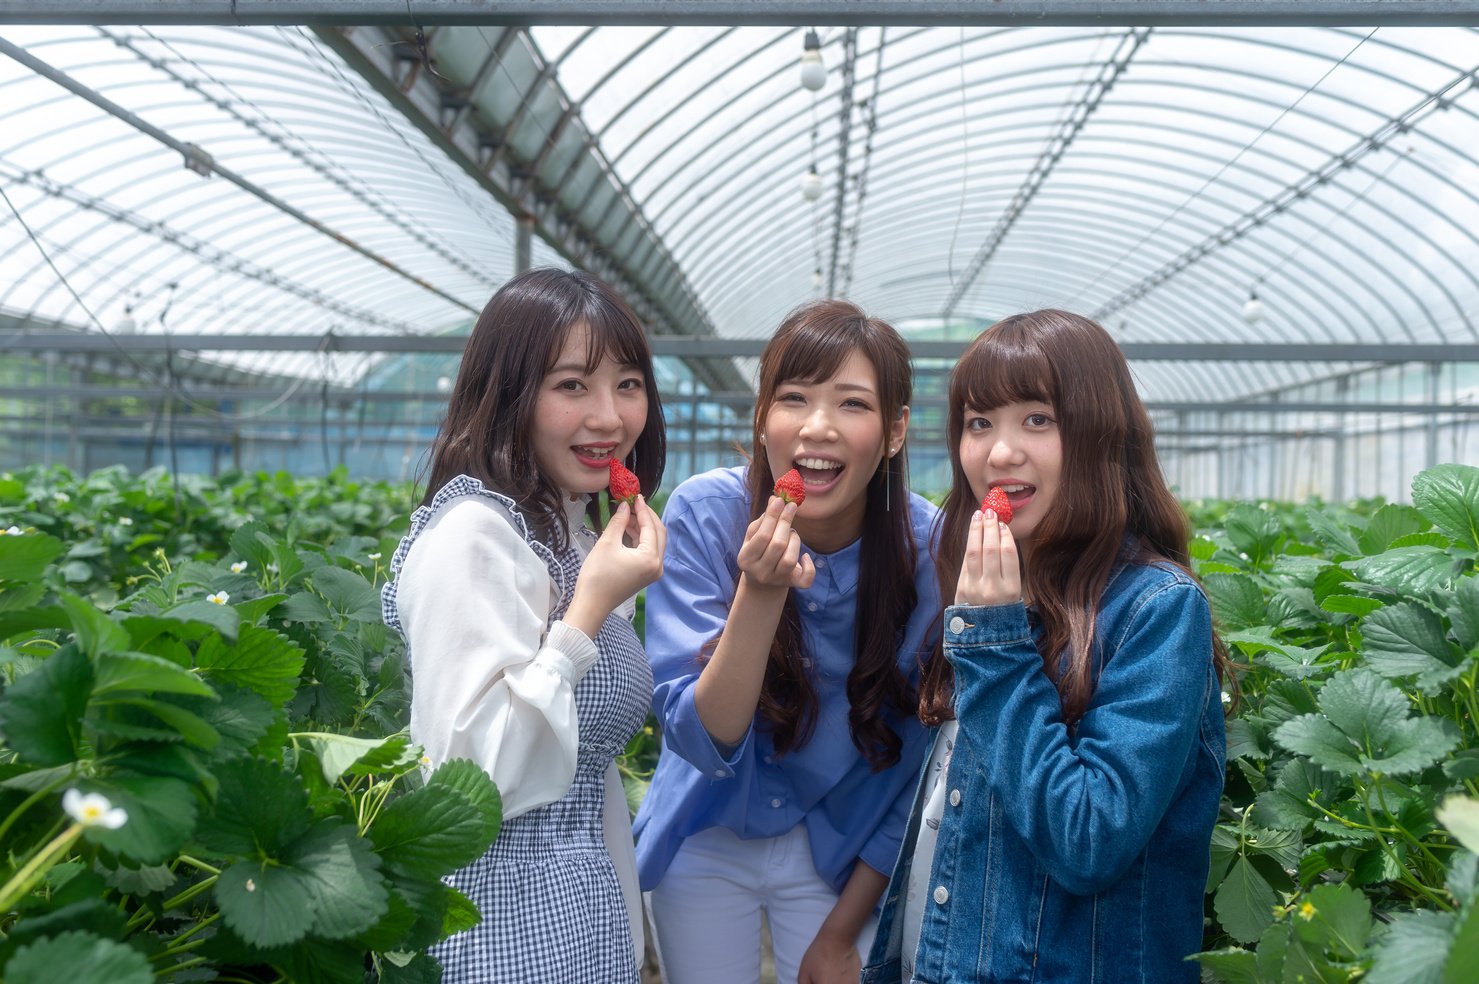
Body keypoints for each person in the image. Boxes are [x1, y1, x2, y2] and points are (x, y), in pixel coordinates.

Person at [862, 309, 1229, 983]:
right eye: (979, 423)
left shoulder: (1155, 610)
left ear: (1100, 436)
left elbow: (1087, 838)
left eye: (1037, 419)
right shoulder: (989, 592)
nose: (999, 452)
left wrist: (996, 645)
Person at [634, 300, 941, 984]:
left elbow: (920, 764)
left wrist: (839, 935)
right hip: (704, 831)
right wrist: (761, 593)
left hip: (847, 847)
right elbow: (697, 735)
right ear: (760, 417)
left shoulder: (931, 549)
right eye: (793, 398)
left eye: (851, 404)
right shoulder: (704, 515)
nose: (817, 427)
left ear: (894, 432)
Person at [380, 267, 667, 984]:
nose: (610, 416)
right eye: (572, 386)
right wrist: (588, 613)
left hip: (580, 917)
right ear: (508, 395)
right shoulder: (474, 535)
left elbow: (588, 780)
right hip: (495, 923)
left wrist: (627, 934)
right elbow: (470, 779)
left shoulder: (566, 540)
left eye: (627, 384)